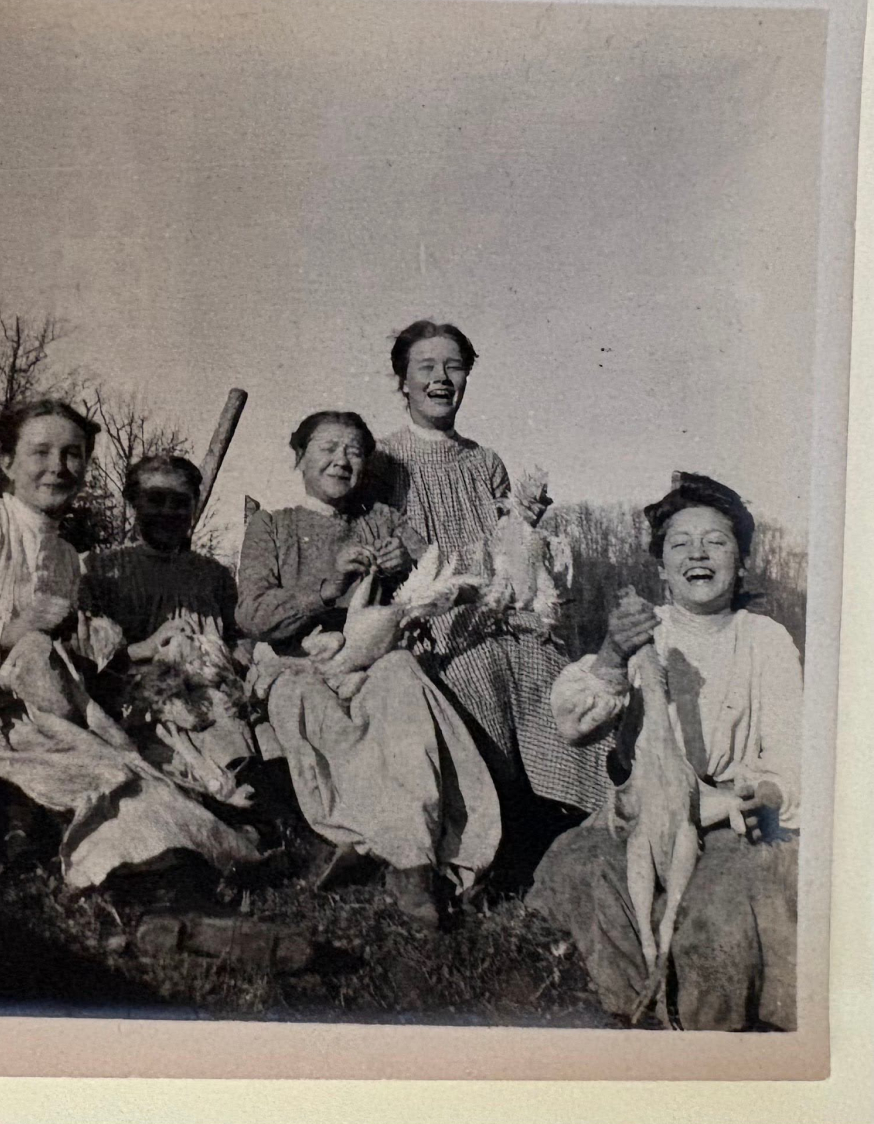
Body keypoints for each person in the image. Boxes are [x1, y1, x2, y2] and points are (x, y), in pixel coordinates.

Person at [0, 398, 261, 894]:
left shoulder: (67, 558)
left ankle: (177, 883)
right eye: (40, 452)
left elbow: (59, 662)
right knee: (14, 812)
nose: (57, 466)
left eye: (72, 454)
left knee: (123, 780)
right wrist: (5, 633)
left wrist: (93, 644)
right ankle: (152, 877)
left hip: (35, 712)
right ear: (7, 462)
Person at [526, 473, 800, 1030]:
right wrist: (610, 654)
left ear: (742, 562)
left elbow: (795, 754)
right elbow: (572, 723)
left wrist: (764, 794)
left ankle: (709, 1051)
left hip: (727, 816)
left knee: (717, 915)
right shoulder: (643, 630)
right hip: (640, 818)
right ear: (660, 568)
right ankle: (635, 1021)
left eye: (717, 541)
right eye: (680, 543)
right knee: (583, 870)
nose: (698, 553)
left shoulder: (765, 640)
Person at [236, 410, 502, 926]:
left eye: (354, 450)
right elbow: (251, 614)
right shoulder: (272, 525)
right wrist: (326, 589)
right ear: (299, 457)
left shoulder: (382, 519)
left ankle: (412, 862)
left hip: (374, 660)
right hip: (297, 665)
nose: (341, 460)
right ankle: (389, 851)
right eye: (327, 448)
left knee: (403, 679)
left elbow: (448, 581)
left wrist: (408, 564)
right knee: (308, 704)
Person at [369, 320, 610, 863]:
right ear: (402, 381)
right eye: (426, 367)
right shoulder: (383, 461)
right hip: (431, 623)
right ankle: (506, 825)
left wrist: (526, 530)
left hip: (502, 616)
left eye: (454, 367)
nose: (440, 379)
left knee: (553, 672)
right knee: (478, 674)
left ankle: (577, 817)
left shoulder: (485, 462)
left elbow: (508, 551)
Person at [79, 453, 254, 774]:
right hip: (139, 708)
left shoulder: (214, 576)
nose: (168, 512)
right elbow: (90, 663)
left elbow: (238, 639)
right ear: (133, 503)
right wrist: (148, 647)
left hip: (214, 702)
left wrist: (235, 668)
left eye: (180, 502)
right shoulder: (102, 570)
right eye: (155, 499)